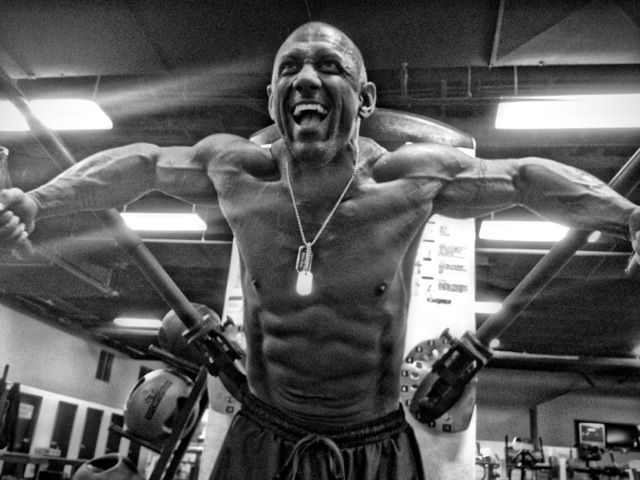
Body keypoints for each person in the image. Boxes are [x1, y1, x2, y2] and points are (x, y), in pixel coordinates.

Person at [1, 21, 639, 480]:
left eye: (329, 67)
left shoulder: (409, 180)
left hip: (374, 442)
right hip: (260, 431)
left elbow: (526, 178)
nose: (307, 77)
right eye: (290, 69)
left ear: (363, 100)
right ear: (274, 100)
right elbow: (140, 164)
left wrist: (628, 217)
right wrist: (38, 203)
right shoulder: (238, 171)